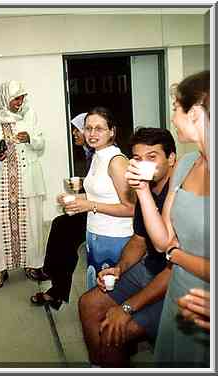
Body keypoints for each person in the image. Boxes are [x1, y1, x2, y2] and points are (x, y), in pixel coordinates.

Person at [125, 71, 210, 367]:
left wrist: (176, 254)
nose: (173, 118)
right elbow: (161, 241)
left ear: (196, 114)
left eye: (176, 108)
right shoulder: (187, 164)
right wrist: (142, 191)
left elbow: (170, 251)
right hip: (180, 293)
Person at [79, 127, 176, 367]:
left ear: (171, 158)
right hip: (150, 269)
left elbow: (175, 269)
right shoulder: (146, 190)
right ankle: (99, 365)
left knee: (113, 331)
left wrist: (127, 307)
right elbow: (138, 240)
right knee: (88, 303)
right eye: (137, 158)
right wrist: (119, 269)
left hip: (174, 282)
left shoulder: (179, 196)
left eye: (152, 157)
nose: (143, 165)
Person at [0, 80, 46, 289]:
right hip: (3, 180)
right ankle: (0, 269)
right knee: (0, 223)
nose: (20, 102)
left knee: (32, 222)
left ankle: (33, 264)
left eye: (22, 97)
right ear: (4, 98)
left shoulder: (29, 114)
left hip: (28, 179)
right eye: (16, 98)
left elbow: (41, 142)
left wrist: (30, 138)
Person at [61, 107, 135, 290]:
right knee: (97, 287)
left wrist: (89, 205)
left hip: (115, 238)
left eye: (99, 128)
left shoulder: (116, 161)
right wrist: (75, 199)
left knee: (109, 294)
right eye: (88, 128)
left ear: (112, 131)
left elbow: (131, 208)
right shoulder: (97, 155)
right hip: (96, 234)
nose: (92, 134)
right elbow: (102, 194)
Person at [30, 113, 94, 309]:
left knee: (64, 232)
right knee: (61, 224)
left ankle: (56, 287)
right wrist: (81, 187)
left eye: (78, 129)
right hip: (93, 207)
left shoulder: (107, 157)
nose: (75, 133)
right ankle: (51, 274)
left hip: (102, 214)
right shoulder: (90, 154)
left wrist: (78, 198)